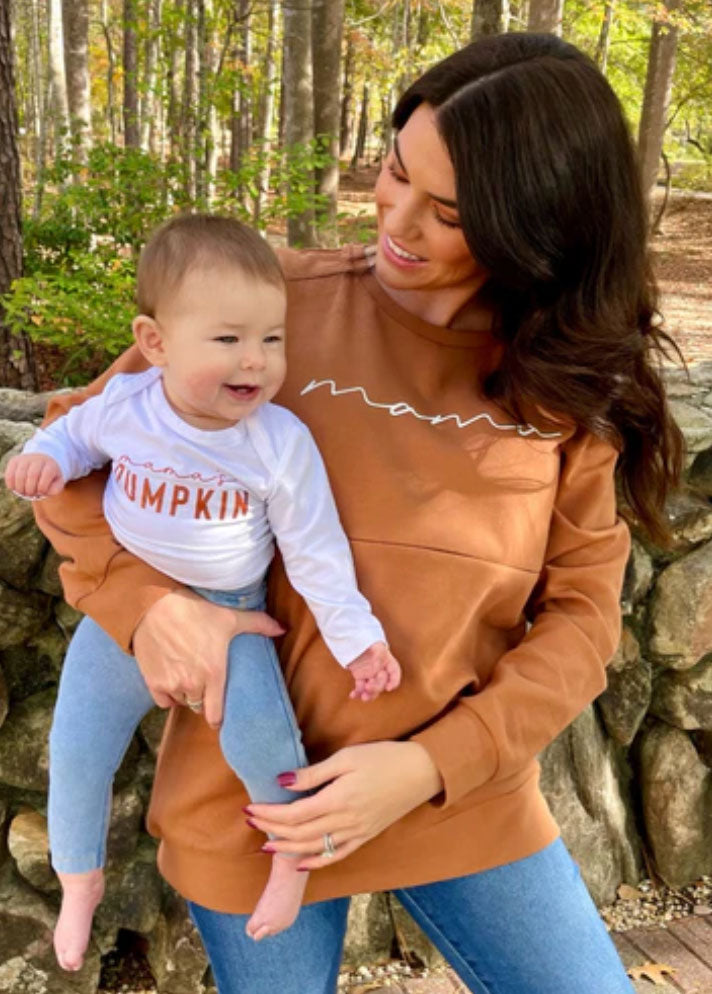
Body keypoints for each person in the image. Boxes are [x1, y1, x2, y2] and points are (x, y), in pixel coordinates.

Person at [33, 33, 683, 994]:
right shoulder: (268, 312)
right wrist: (148, 606)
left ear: (536, 224)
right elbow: (72, 440)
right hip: (257, 810)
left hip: (456, 797)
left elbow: (584, 624)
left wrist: (425, 769)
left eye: (449, 210)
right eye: (393, 170)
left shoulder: (567, 389)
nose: (398, 219)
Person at [5, 215, 401, 971]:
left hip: (234, 616)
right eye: (227, 340)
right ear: (155, 342)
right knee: (77, 747)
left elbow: (318, 552)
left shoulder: (278, 441)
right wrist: (43, 459)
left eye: (272, 339)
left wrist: (359, 640)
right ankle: (77, 880)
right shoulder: (128, 403)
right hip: (127, 619)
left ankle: (291, 857)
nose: (255, 361)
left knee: (267, 748)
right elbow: (72, 434)